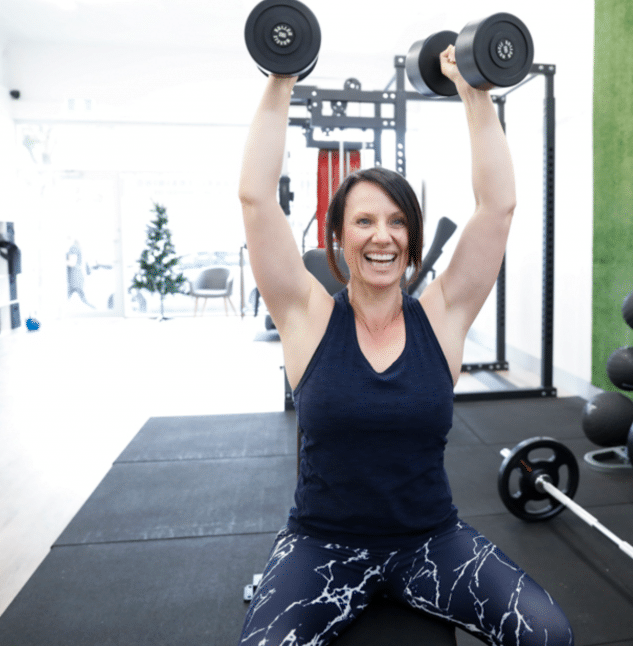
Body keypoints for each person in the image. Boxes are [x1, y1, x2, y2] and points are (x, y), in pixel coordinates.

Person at [236, 46, 574, 646]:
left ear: (413, 239)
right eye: (364, 221)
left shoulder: (442, 317)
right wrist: (281, 76)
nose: (382, 236)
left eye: (397, 222)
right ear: (338, 236)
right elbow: (257, 199)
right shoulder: (305, 315)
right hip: (322, 544)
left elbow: (498, 207)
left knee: (546, 633)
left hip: (429, 540)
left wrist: (475, 93)